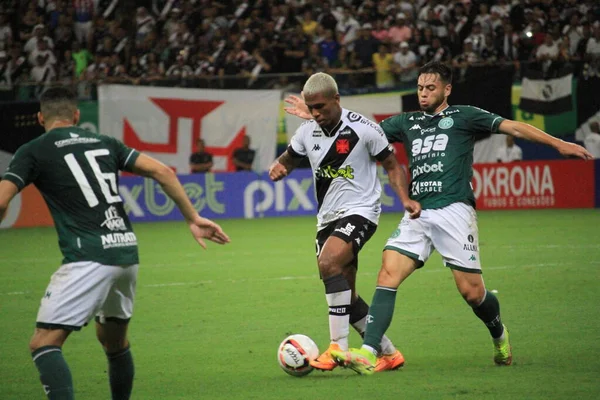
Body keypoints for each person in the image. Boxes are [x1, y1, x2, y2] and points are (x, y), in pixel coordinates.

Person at [284, 62, 592, 375]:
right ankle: (369, 351)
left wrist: (558, 143)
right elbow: (359, 131)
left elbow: (512, 127)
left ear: (447, 89)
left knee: (472, 292)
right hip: (419, 211)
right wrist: (315, 116)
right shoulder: (408, 122)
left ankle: (498, 332)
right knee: (387, 273)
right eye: (419, 88)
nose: (423, 94)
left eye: (431, 88)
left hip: (454, 209)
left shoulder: (465, 116)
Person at [0, 87, 231, 399]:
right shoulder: (105, 142)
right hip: (125, 252)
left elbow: (3, 200)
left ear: (41, 118)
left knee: (43, 342)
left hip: (87, 256)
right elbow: (162, 171)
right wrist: (192, 218)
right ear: (77, 116)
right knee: (113, 341)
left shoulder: (33, 150)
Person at [269, 72, 421, 373]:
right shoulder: (306, 132)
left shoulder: (365, 129)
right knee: (344, 296)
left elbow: (392, 165)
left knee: (328, 264)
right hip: (326, 218)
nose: (315, 114)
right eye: (311, 108)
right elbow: (288, 158)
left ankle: (336, 348)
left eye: (321, 107)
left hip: (361, 212)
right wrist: (279, 167)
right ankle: (389, 353)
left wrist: (404, 198)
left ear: (337, 99)